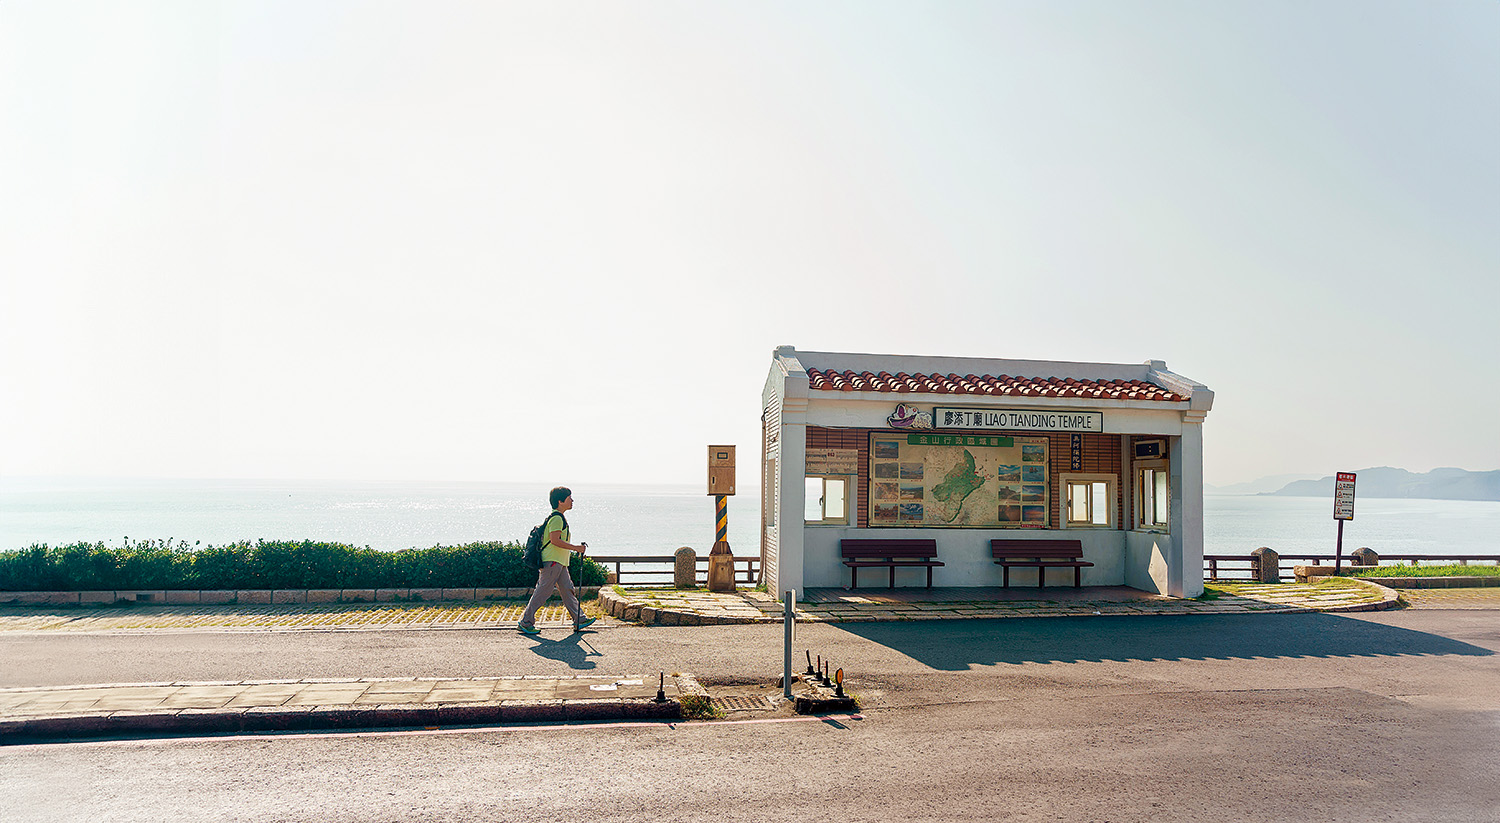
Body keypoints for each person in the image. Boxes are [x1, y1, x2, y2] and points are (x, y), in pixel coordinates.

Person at [518, 486, 598, 635]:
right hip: (552, 562)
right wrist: (576, 548)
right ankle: (526, 622)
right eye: (569, 498)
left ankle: (579, 619)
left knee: (568, 590)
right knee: (543, 592)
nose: (572, 500)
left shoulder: (558, 517)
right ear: (560, 501)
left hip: (559, 562)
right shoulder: (556, 518)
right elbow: (555, 540)